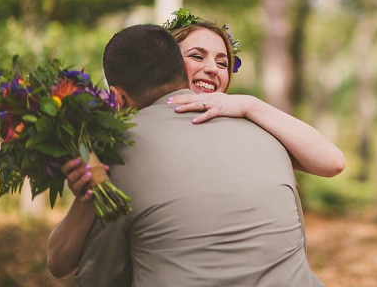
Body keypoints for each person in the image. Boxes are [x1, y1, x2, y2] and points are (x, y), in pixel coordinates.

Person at [51, 24, 326, 286]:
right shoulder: (261, 136)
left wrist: (250, 105)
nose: (210, 69)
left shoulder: (259, 127)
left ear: (118, 97)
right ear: (174, 66)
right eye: (197, 56)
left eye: (222, 63)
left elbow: (94, 276)